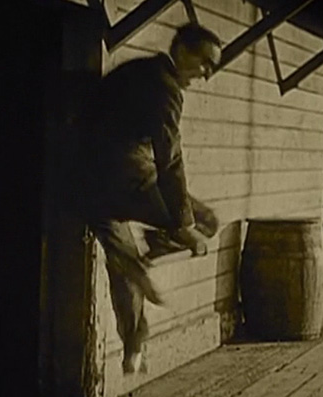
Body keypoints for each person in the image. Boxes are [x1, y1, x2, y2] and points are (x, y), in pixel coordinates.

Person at [75, 23, 222, 374]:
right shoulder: (167, 89)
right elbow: (169, 160)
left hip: (86, 186)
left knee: (123, 262)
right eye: (205, 64)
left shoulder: (135, 69)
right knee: (207, 223)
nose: (205, 75)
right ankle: (154, 247)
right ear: (183, 50)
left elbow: (92, 111)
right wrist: (183, 225)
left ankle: (133, 344)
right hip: (130, 182)